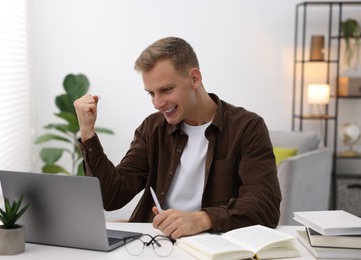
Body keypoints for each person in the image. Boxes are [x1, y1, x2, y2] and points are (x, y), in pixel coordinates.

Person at [74, 36, 281, 239]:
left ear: (194, 79)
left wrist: (203, 219)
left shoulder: (247, 127)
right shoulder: (152, 128)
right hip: (155, 244)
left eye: (166, 90)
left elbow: (265, 206)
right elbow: (113, 196)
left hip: (212, 246)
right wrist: (88, 132)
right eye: (151, 93)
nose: (157, 103)